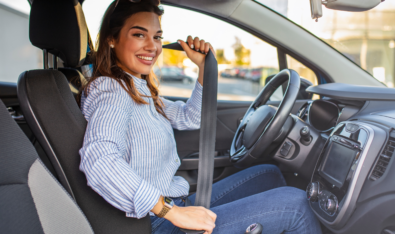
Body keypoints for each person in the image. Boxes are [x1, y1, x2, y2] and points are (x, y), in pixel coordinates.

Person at [79, 0, 323, 233]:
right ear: (112, 39)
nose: (152, 47)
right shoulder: (110, 90)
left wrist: (204, 69)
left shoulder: (138, 88)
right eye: (139, 34)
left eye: (157, 37)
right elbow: (100, 161)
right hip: (154, 222)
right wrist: (172, 212)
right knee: (298, 206)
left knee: (269, 174)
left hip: (175, 203)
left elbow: (191, 118)